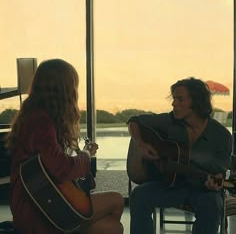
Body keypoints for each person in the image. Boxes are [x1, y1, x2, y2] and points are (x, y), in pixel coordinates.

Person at [7, 58, 124, 234]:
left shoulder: (32, 116)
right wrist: (86, 154)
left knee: (113, 227)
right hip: (39, 210)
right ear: (64, 90)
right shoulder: (40, 121)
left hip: (42, 202)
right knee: (116, 200)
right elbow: (63, 169)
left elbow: (52, 166)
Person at [127, 77, 232, 234]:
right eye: (174, 98)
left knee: (212, 206)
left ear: (197, 101)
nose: (173, 103)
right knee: (139, 195)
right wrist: (142, 145)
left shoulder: (222, 136)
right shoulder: (170, 120)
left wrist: (214, 182)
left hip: (202, 189)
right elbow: (134, 121)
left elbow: (219, 174)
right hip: (171, 185)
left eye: (180, 99)